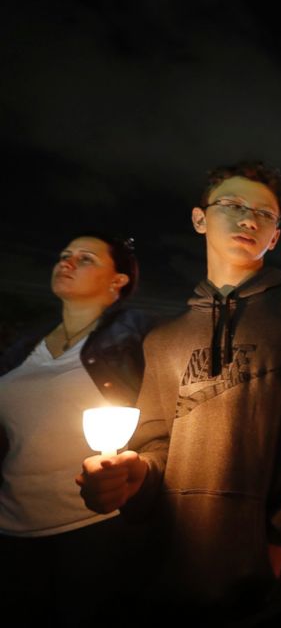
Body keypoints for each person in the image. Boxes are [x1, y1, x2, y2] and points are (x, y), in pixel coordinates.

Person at [76, 161, 281, 622]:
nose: (248, 219)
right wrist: (132, 477)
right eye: (232, 205)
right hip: (177, 573)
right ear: (199, 219)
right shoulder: (164, 337)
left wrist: (279, 537)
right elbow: (156, 444)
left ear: (274, 237)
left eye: (265, 215)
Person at [0, 233, 152, 626]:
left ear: (118, 281)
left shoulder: (138, 338)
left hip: (93, 530)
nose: (66, 262)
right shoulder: (22, 344)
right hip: (11, 526)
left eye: (85, 259)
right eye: (64, 255)